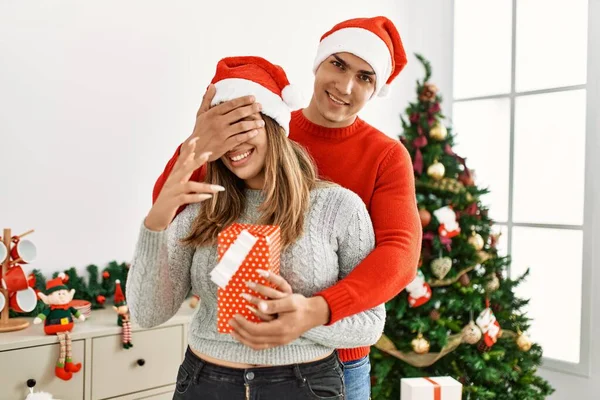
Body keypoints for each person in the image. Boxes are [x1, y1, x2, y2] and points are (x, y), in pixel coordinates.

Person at [152, 16, 422, 399]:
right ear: (318, 63)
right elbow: (172, 207)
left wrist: (316, 310)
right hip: (236, 358)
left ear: (377, 89)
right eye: (338, 64)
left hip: (336, 359)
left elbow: (400, 253)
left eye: (365, 77)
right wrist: (197, 142)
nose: (345, 86)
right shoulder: (269, 128)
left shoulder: (386, 156)